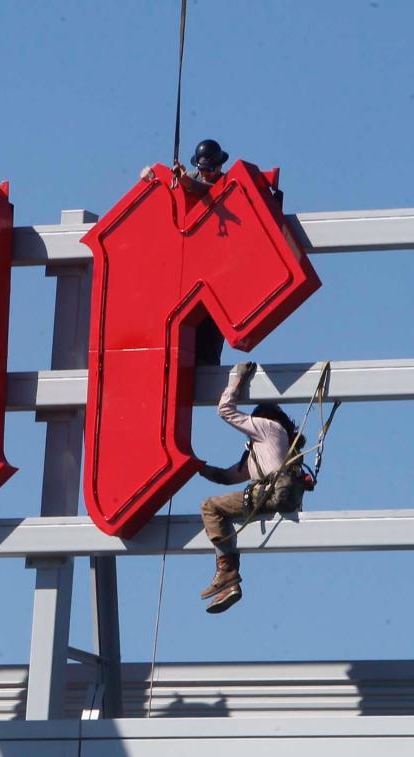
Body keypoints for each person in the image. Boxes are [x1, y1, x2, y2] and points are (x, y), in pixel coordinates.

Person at [197, 361, 307, 613]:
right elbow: (229, 476)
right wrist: (198, 469)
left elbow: (225, 410)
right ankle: (228, 585)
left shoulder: (268, 427)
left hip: (270, 493)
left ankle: (227, 571)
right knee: (222, 505)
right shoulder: (272, 447)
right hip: (278, 494)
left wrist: (238, 381)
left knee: (210, 507)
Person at [140, 139, 231, 366]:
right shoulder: (191, 176)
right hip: (189, 263)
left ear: (219, 166)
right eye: (203, 170)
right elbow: (172, 184)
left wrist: (187, 183)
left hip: (217, 266)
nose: (207, 174)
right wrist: (152, 176)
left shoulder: (229, 184)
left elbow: (213, 193)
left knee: (211, 322)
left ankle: (207, 366)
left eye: (211, 169)